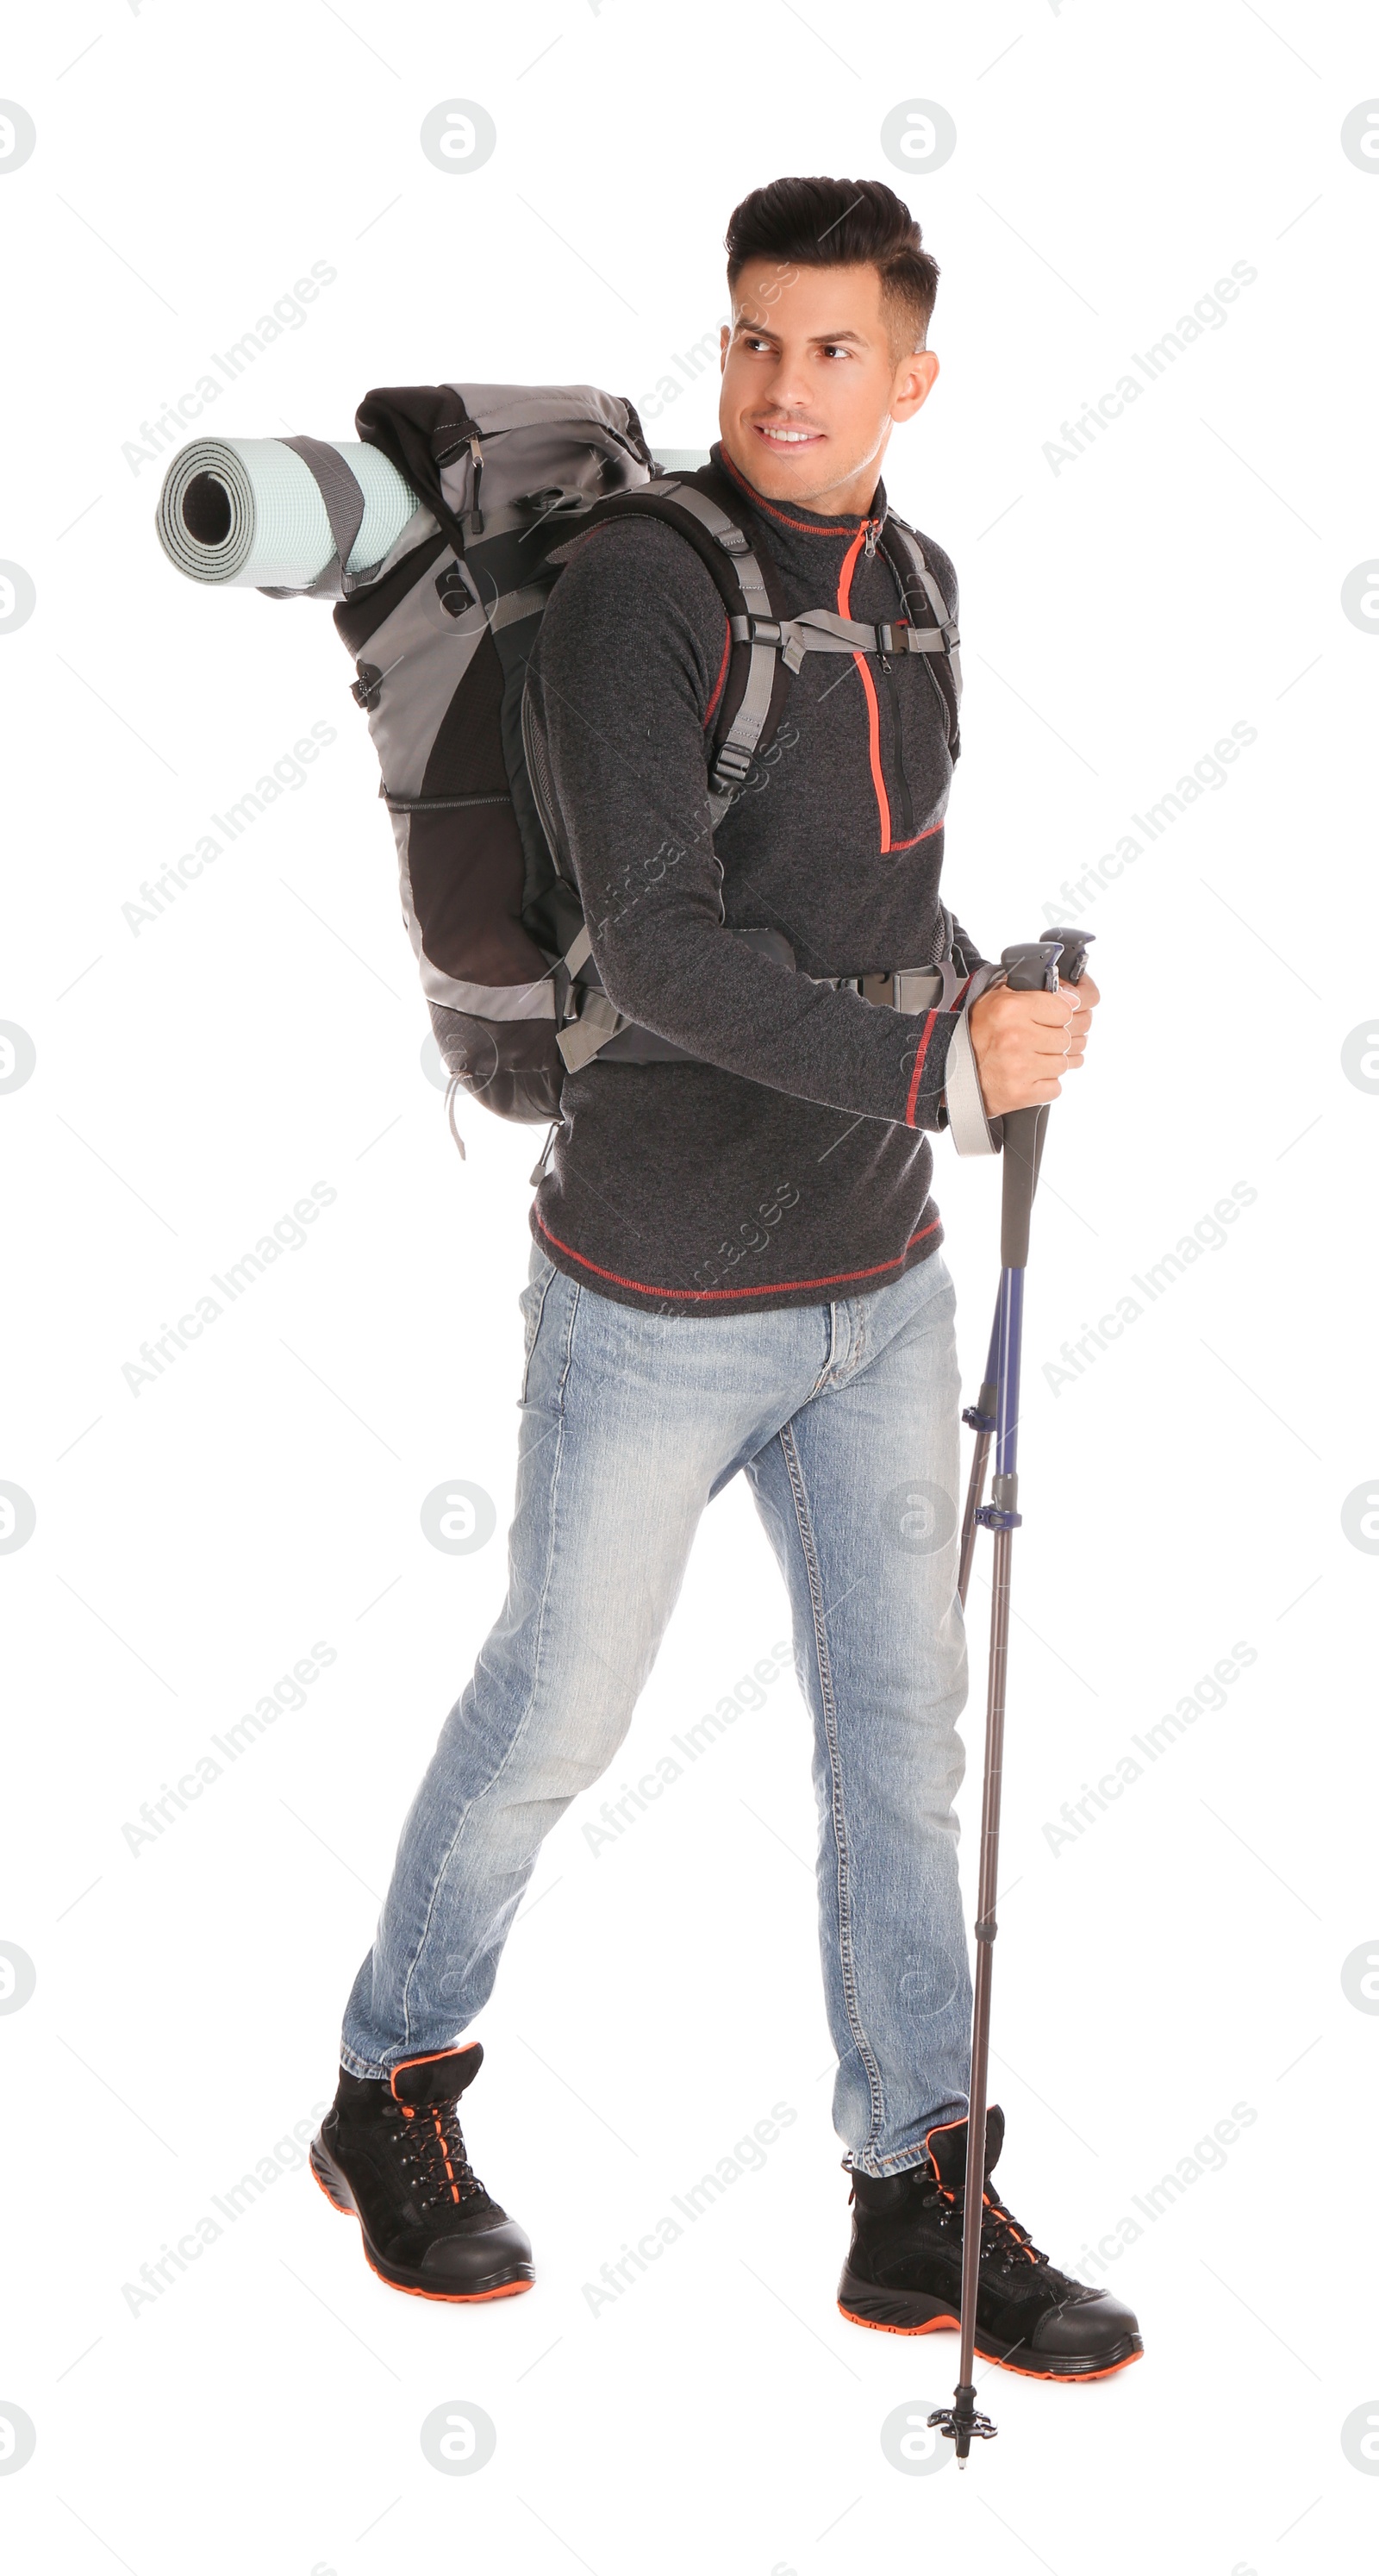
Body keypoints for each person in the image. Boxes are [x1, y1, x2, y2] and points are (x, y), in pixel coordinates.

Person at [309, 175, 1142, 2384]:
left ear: (912, 375)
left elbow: (874, 912)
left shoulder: (920, 587)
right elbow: (667, 959)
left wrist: (986, 1000)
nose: (785, 385)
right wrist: (932, 1056)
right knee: (552, 1726)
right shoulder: (633, 595)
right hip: (654, 1294)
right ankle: (390, 2083)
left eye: (834, 349)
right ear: (724, 353)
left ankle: (915, 2191)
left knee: (900, 1761)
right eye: (754, 342)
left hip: (880, 1283)